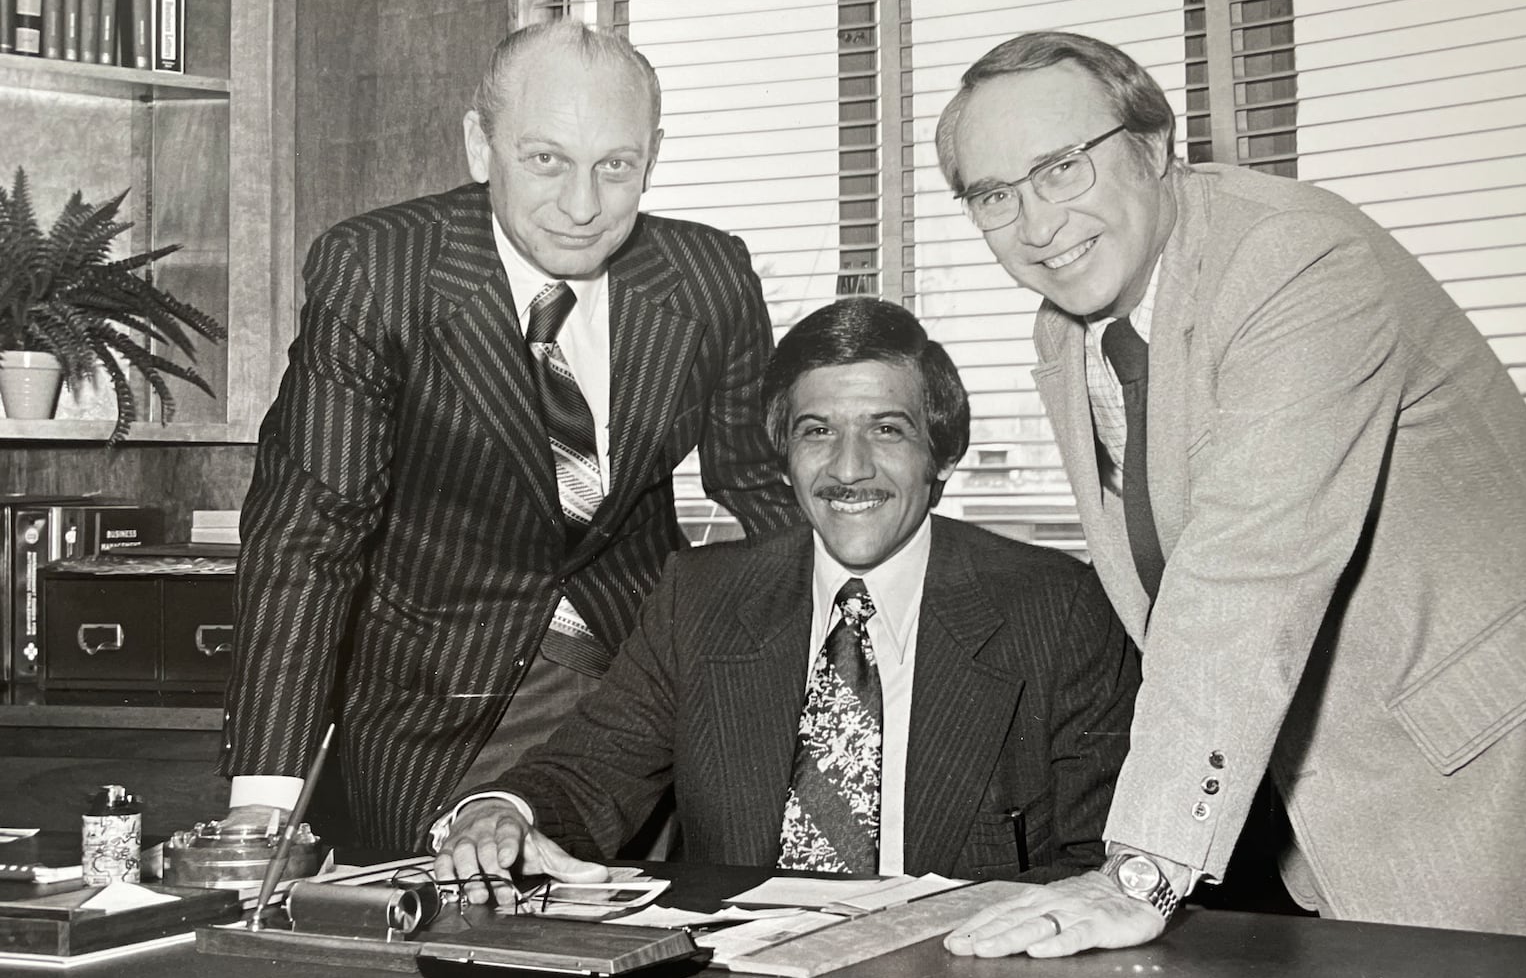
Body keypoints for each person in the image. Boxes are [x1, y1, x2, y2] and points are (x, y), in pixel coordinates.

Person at [933, 30, 1526, 955]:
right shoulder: (1071, 326)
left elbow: (1246, 574)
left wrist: (1141, 872)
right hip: (1317, 793)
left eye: (1060, 169)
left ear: (1154, 144)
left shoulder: (1293, 259)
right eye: (995, 195)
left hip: (1496, 765)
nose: (1036, 225)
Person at [219, 20, 798, 849]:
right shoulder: (381, 271)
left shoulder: (709, 279)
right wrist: (266, 803)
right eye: (546, 160)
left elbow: (763, 489)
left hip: (638, 706)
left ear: (652, 157)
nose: (583, 205)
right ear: (479, 145)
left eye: (615, 166)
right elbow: (309, 537)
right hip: (433, 703)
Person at [433, 298, 1139, 900]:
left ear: (943, 455)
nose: (848, 468)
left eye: (887, 430)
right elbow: (586, 773)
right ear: (785, 459)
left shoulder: (1060, 609)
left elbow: (1103, 861)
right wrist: (500, 810)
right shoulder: (700, 597)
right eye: (817, 432)